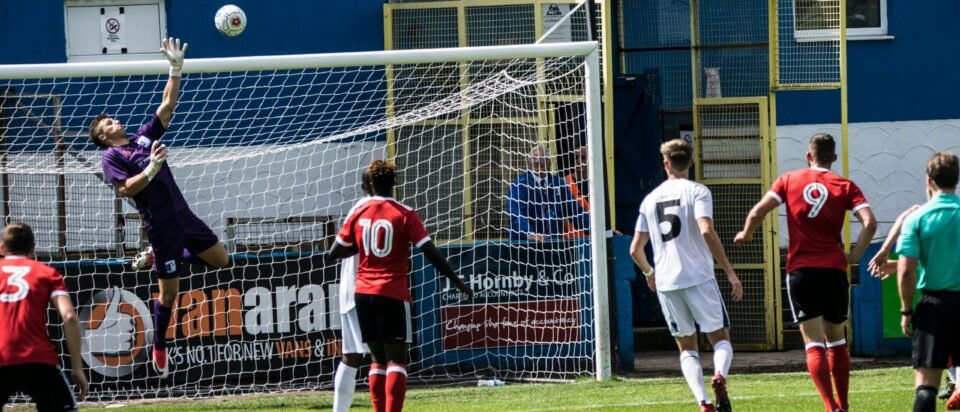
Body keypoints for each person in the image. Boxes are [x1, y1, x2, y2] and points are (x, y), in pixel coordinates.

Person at [89, 38, 229, 379]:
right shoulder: (111, 157)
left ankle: (160, 257)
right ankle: (160, 344)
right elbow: (125, 189)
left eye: (111, 119)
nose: (113, 121)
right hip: (161, 225)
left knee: (223, 260)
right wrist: (151, 169)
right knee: (169, 296)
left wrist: (175, 68)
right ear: (103, 137)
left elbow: (167, 106)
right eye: (106, 123)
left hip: (183, 214)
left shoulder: (141, 138)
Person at [735, 133, 877, 412]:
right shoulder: (846, 185)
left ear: (808, 156)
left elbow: (757, 212)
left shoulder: (789, 179)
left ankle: (830, 406)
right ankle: (845, 405)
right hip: (834, 270)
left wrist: (746, 233)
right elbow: (870, 223)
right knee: (837, 339)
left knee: (813, 343)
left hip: (802, 271)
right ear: (833, 158)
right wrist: (854, 255)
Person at [328, 160, 473, 412]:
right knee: (397, 360)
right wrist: (457, 280)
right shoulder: (404, 213)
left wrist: (361, 246)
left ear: (369, 185)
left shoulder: (359, 211)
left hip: (362, 293)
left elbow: (334, 251)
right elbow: (430, 251)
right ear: (395, 183)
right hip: (391, 292)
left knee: (377, 360)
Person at [630, 139, 743, 412]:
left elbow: (635, 249)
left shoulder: (650, 200)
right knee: (721, 338)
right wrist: (729, 271)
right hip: (699, 276)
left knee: (686, 348)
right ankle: (719, 375)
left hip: (667, 281)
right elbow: (706, 230)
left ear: (665, 164)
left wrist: (649, 272)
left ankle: (703, 403)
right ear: (691, 162)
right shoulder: (698, 191)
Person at [892, 151, 960, 412]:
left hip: (934, 306)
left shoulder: (917, 218)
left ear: (929, 180)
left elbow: (906, 270)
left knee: (926, 389)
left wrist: (906, 310)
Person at [0, 223, 88, 411]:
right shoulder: (47, 273)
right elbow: (69, 316)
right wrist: (77, 368)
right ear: (33, 248)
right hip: (38, 359)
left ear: (2, 248)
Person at [332, 170, 373, 412]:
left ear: (363, 185)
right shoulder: (366, 208)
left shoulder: (358, 208)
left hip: (351, 289)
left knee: (352, 356)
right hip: (370, 287)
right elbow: (337, 249)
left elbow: (338, 248)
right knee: (387, 356)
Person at [507, 144, 588, 242]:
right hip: (526, 246)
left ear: (549, 163)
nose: (537, 162)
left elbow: (576, 212)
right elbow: (516, 215)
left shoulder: (559, 184)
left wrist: (599, 230)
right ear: (529, 163)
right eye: (534, 158)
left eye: (541, 158)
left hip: (554, 246)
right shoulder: (519, 185)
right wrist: (531, 234)